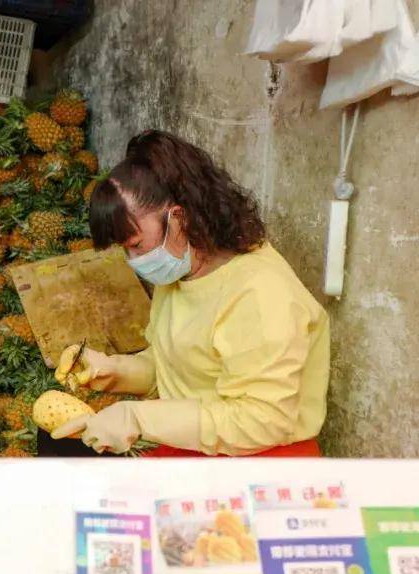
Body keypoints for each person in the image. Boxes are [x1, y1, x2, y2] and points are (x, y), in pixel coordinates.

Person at [51, 131, 329, 457]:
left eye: (137, 245)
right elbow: (175, 369)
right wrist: (115, 371)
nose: (135, 261)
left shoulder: (261, 293)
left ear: (179, 218)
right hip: (195, 449)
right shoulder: (181, 276)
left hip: (261, 462)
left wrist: (139, 417)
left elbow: (263, 420)